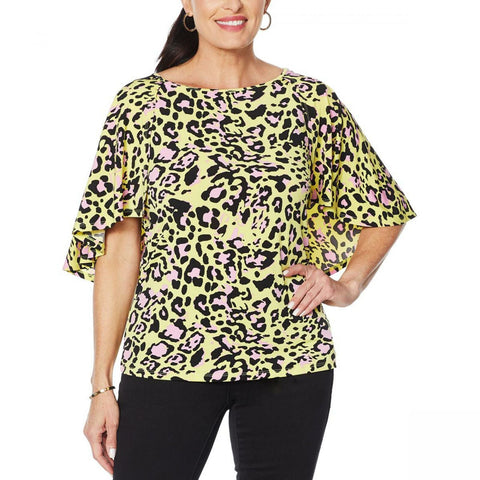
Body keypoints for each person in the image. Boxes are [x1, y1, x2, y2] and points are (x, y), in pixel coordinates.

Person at [63, 1, 417, 479]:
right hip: (168, 356)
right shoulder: (141, 105)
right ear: (188, 3)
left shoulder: (310, 102)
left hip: (290, 356)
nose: (232, 4)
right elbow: (120, 247)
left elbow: (383, 205)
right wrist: (101, 383)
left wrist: (348, 284)